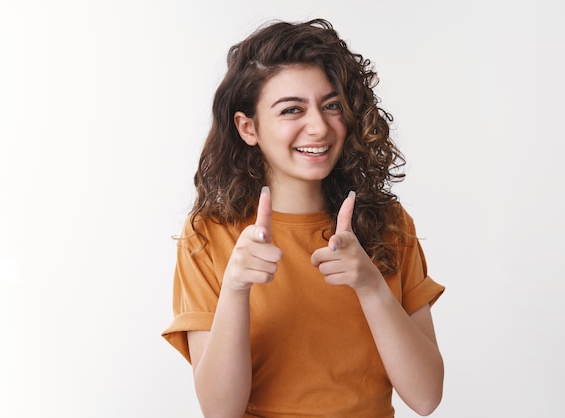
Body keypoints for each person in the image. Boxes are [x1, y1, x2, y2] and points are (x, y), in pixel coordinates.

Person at [161, 18, 445, 418]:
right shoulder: (207, 237)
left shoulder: (390, 225)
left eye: (331, 106)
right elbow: (219, 411)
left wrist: (371, 286)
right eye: (292, 109)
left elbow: (427, 396)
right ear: (248, 127)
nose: (319, 127)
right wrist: (236, 289)